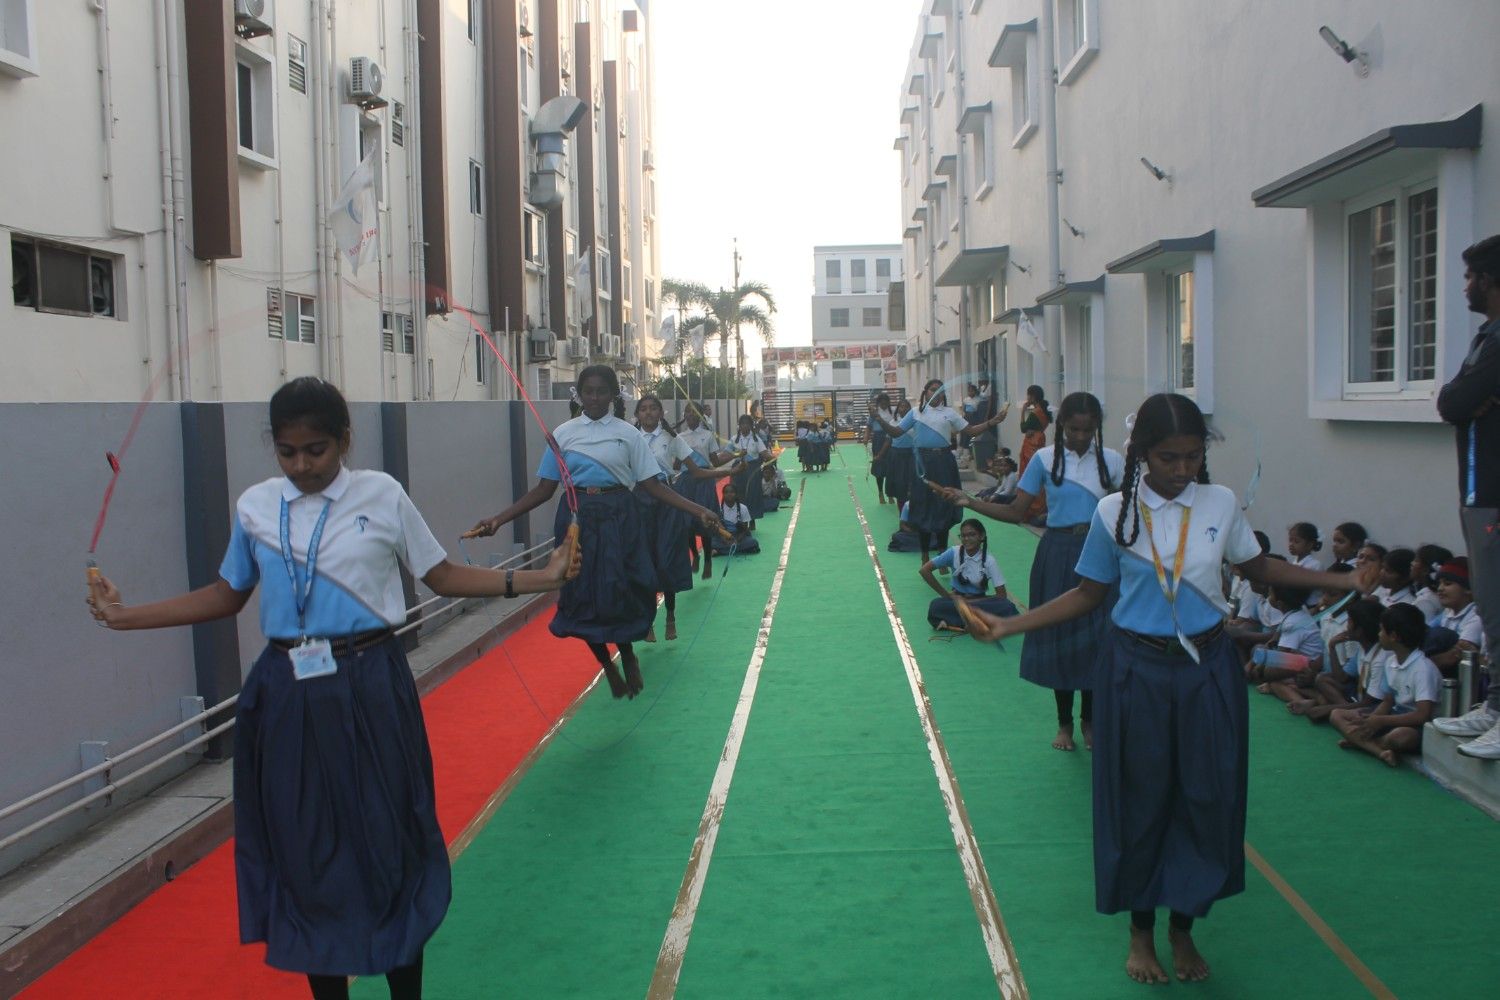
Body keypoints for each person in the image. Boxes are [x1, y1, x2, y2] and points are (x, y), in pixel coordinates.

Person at [84, 378, 581, 1000]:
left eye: (315, 450)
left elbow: (443, 576)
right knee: (307, 853)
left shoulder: (382, 495)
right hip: (284, 694)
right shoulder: (256, 506)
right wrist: (125, 616)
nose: (301, 466)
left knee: (388, 844)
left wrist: (539, 579)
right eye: (287, 452)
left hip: (371, 684)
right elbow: (227, 594)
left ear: (344, 439)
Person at [959, 393, 1373, 986]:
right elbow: (1087, 594)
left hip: (1208, 672)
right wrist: (1009, 624)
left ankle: (1184, 927)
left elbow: (1258, 568)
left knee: (1206, 798)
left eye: (1192, 457)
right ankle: (1140, 931)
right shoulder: (1113, 512)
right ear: (1141, 455)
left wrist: (1344, 580)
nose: (1182, 470)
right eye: (1168, 458)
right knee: (1141, 800)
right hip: (1135, 672)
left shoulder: (1219, 502)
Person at [468, 366, 720, 700]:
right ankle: (606, 664)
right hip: (578, 520)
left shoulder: (627, 434)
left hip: (621, 518)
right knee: (582, 595)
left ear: (613, 395)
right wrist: (499, 519)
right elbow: (544, 490)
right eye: (589, 391)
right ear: (579, 394)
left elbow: (653, 485)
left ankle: (627, 653)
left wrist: (698, 509)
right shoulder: (563, 434)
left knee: (625, 589)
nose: (595, 398)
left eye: (602, 391)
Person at [945, 391, 1123, 751]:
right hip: (1057, 551)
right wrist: (970, 502)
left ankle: (1090, 719)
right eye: (1073, 430)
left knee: (1097, 636)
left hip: (1101, 551)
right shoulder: (1044, 459)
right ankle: (1064, 722)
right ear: (1061, 425)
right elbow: (1017, 512)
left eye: (1088, 430)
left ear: (1097, 428)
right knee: (1060, 633)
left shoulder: (1112, 460)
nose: (1080, 437)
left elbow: (1127, 513)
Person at [1435, 233, 1500, 758]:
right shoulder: (1487, 338)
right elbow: (1453, 400)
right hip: (1478, 494)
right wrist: (1465, 398)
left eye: (1471, 277)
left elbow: (1459, 402)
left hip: (1494, 494)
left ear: (1491, 280)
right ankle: (1494, 705)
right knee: (1492, 606)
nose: (1465, 287)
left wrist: (1465, 399)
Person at [869, 379, 1008, 565]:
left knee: (945, 506)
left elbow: (971, 431)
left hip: (944, 462)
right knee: (922, 507)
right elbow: (895, 432)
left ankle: (942, 553)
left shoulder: (949, 413)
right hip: (922, 463)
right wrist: (878, 419)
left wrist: (992, 421)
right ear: (925, 392)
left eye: (940, 390)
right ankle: (925, 554)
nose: (936, 393)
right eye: (932, 389)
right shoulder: (915, 412)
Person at [635, 394, 736, 642]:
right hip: (639, 503)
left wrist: (728, 470)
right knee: (644, 561)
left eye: (653, 408)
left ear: (661, 413)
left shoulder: (672, 438)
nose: (648, 413)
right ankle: (648, 620)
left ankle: (670, 616)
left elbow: (696, 471)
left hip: (667, 501)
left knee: (666, 559)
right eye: (643, 409)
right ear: (637, 414)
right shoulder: (630, 438)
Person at [1331, 604, 1441, 767]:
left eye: (1382, 630)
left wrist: (1381, 721)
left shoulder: (1423, 669)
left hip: (1417, 726)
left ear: (1394, 636)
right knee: (1337, 714)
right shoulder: (1391, 661)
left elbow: (1422, 715)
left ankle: (1364, 743)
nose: (1378, 634)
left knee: (1400, 737)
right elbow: (1388, 700)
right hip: (1393, 715)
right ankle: (1378, 750)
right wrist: (1372, 721)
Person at [1289, 598, 1386, 721]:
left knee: (1331, 713)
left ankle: (1334, 709)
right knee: (1322, 679)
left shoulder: (1380, 658)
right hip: (1357, 696)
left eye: (1349, 622)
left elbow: (1368, 702)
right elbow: (1341, 678)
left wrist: (1327, 709)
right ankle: (1338, 708)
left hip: (1373, 706)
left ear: (1360, 631)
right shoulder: (1362, 649)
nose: (1346, 627)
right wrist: (1332, 647)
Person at [920, 518, 1019, 631]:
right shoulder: (954, 552)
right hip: (957, 601)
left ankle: (955, 623)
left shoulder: (989, 561)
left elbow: (1001, 595)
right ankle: (978, 622)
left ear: (982, 536)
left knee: (1007, 605)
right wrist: (945, 595)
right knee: (936, 605)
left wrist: (973, 601)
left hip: (979, 602)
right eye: (963, 536)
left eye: (972, 535)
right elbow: (924, 570)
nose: (966, 539)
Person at [676, 403, 735, 581]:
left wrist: (733, 456)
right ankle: (695, 554)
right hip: (686, 482)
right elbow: (676, 465)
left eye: (694, 412)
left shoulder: (708, 435)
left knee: (706, 523)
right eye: (687, 411)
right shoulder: (679, 437)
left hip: (704, 481)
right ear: (684, 415)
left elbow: (715, 462)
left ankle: (708, 559)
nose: (690, 415)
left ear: (701, 415)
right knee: (687, 522)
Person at [730, 413, 774, 521]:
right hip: (738, 470)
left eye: (747, 423)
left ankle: (752, 518)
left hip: (752, 471)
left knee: (752, 494)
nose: (744, 426)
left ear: (751, 425)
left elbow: (764, 453)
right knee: (738, 493)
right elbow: (726, 454)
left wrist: (772, 457)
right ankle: (740, 518)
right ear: (739, 425)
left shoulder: (756, 439)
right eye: (742, 423)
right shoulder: (734, 439)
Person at [1018, 384, 1052, 523]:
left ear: (1032, 396)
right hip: (1039, 441)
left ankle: (1030, 509)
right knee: (1038, 474)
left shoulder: (1034, 413)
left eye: (1028, 395)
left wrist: (1023, 411)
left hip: (1031, 443)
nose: (1027, 398)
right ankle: (1039, 508)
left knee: (1028, 474)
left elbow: (1023, 428)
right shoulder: (1044, 411)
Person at [714, 483, 760, 555]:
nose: (729, 494)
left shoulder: (743, 508)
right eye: (726, 492)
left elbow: (745, 529)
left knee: (753, 542)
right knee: (712, 542)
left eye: (732, 492)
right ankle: (738, 550)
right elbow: (717, 529)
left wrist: (737, 540)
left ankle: (721, 551)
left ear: (736, 494)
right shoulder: (718, 508)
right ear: (723, 494)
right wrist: (725, 540)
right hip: (723, 537)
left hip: (739, 536)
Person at [868, 392, 894, 504]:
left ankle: (890, 493)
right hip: (878, 441)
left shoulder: (893, 411)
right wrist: (866, 437)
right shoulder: (874, 412)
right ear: (878, 403)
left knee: (891, 468)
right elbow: (869, 426)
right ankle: (880, 492)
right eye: (881, 403)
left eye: (885, 403)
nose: (884, 405)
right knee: (879, 467)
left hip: (891, 439)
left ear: (888, 403)